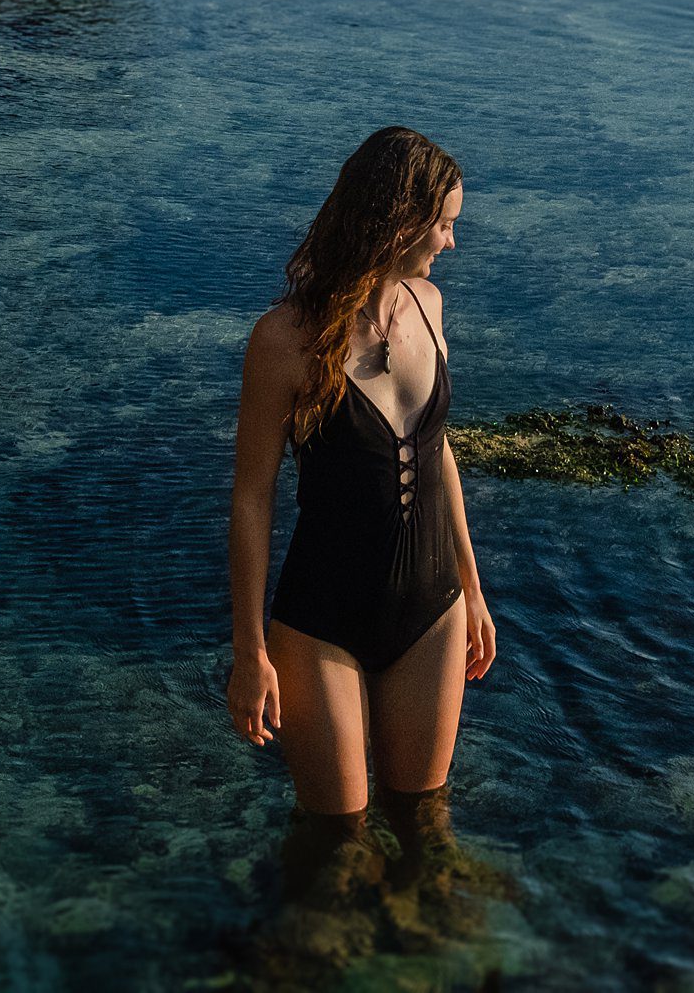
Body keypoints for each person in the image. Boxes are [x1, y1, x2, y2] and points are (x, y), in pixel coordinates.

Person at [227, 126, 498, 910]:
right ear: (396, 218)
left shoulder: (430, 306)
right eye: (443, 221)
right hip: (321, 622)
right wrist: (250, 652)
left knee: (424, 824)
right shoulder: (284, 339)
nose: (451, 239)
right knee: (336, 842)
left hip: (432, 608)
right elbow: (251, 498)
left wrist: (472, 590)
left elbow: (438, 453)